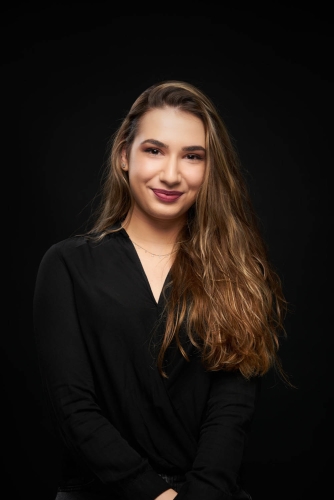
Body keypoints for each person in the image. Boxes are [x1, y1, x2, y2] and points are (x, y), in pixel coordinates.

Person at [33, 80, 289, 500]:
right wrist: (153, 494)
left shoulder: (239, 274)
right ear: (123, 157)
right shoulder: (68, 266)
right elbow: (73, 409)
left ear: (209, 170)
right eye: (154, 150)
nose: (171, 174)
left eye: (192, 156)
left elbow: (231, 414)